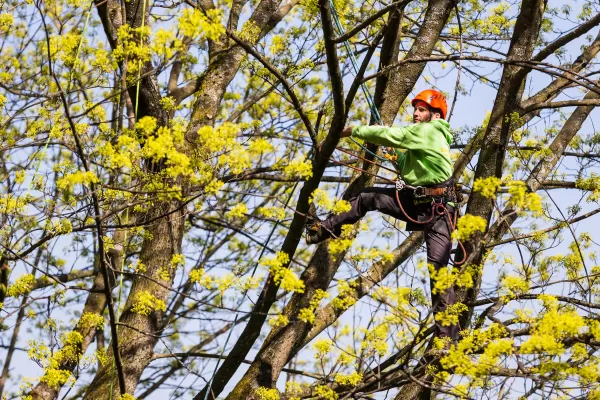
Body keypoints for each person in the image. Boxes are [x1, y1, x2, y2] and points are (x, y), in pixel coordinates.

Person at [306, 89, 460, 341]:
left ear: (434, 114)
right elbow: (409, 160)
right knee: (367, 197)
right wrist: (395, 155)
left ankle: (447, 338)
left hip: (439, 208)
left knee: (438, 268)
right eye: (415, 109)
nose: (415, 113)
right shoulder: (420, 138)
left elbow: (391, 134)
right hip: (416, 201)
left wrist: (350, 131)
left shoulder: (429, 131)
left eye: (421, 110)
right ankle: (323, 229)